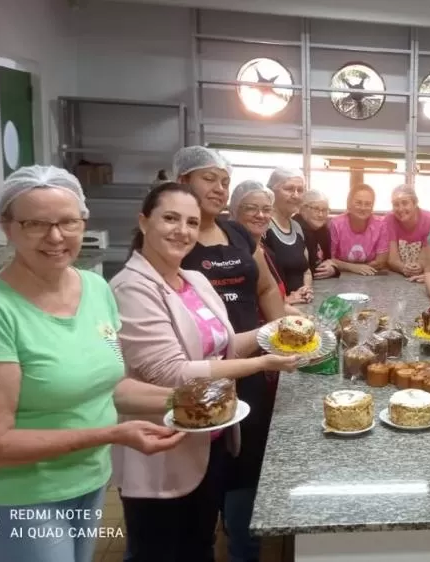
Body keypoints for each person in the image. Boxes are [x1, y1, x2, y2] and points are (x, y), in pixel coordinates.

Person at [0, 166, 185, 562]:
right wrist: (112, 434)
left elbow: (109, 384)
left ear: (83, 223)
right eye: (36, 224)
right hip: (15, 496)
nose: (56, 237)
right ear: (7, 228)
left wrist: (188, 400)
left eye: (68, 222)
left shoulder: (94, 288)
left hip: (86, 480)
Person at [112, 182, 298, 561]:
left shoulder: (193, 280)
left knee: (200, 544)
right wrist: (263, 362)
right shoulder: (130, 288)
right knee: (160, 551)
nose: (182, 231)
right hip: (162, 446)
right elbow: (172, 373)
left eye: (192, 222)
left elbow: (223, 345)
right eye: (170, 218)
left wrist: (274, 331)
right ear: (144, 222)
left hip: (211, 439)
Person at [170, 146, 283, 562]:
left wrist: (285, 331)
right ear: (182, 182)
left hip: (250, 364)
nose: (219, 188)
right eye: (209, 179)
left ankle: (243, 546)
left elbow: (265, 286)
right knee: (201, 467)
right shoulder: (175, 240)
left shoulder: (236, 233)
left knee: (246, 460)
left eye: (224, 181)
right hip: (195, 372)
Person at [228, 180, 303, 317]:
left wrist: (288, 306)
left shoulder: (266, 251)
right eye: (251, 208)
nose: (261, 215)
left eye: (267, 210)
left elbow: (271, 295)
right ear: (235, 210)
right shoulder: (232, 255)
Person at [264, 167, 313, 303]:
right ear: (272, 191)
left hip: (300, 304)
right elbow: (260, 281)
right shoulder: (263, 226)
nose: (296, 195)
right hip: (275, 308)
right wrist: (285, 300)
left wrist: (306, 289)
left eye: (300, 190)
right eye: (289, 189)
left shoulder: (296, 227)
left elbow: (306, 270)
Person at [329, 183, 389, 275]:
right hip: (341, 274)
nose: (363, 208)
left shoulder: (381, 225)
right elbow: (329, 259)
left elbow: (380, 261)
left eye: (368, 204)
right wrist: (353, 267)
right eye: (358, 203)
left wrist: (371, 266)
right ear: (349, 204)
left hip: (370, 274)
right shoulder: (336, 224)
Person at [385, 184, 430, 281]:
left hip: (423, 275)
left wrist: (419, 266)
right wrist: (403, 268)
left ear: (415, 203)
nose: (400, 209)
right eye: (396, 204)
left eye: (405, 203)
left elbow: (429, 257)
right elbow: (392, 258)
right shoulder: (389, 219)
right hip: (397, 274)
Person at [294, 189, 338, 280]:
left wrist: (333, 268)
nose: (320, 214)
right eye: (316, 209)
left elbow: (328, 261)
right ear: (303, 209)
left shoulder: (323, 230)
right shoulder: (296, 228)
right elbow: (303, 269)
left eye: (324, 210)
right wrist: (334, 270)